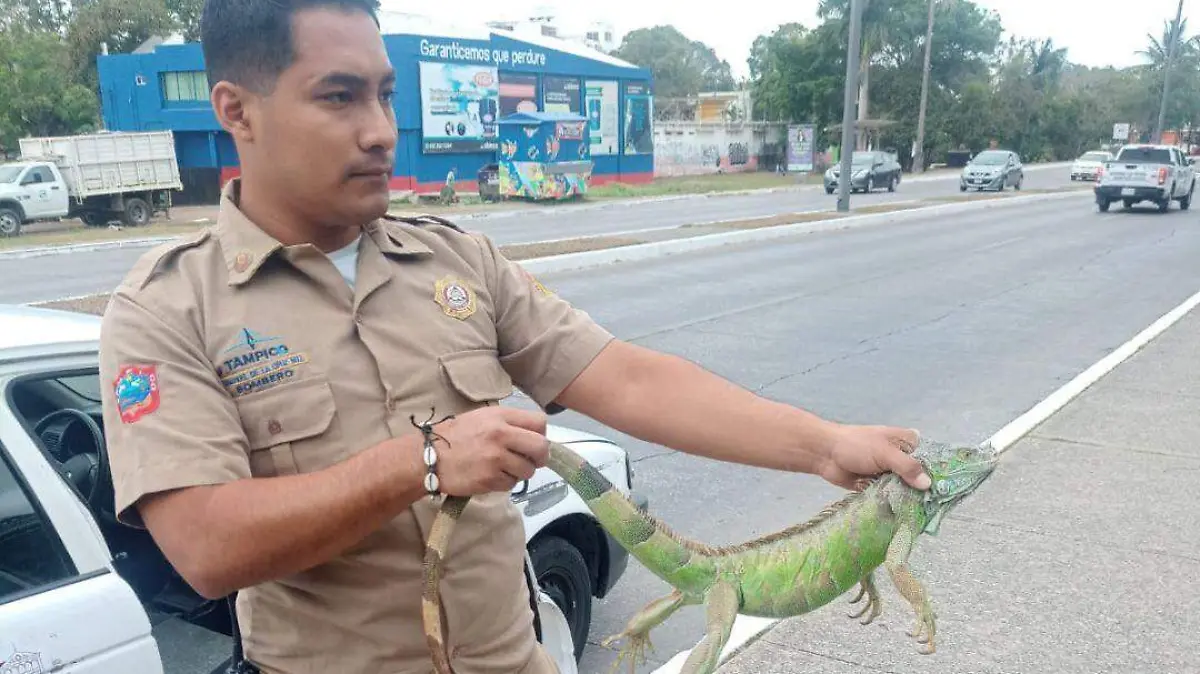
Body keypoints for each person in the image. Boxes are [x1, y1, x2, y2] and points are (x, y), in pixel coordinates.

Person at [96, 0, 932, 672]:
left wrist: (823, 447)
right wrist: (420, 462)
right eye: (339, 96)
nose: (382, 128)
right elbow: (206, 545)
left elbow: (627, 380)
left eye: (386, 93)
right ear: (236, 111)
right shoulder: (167, 308)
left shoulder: (457, 260)